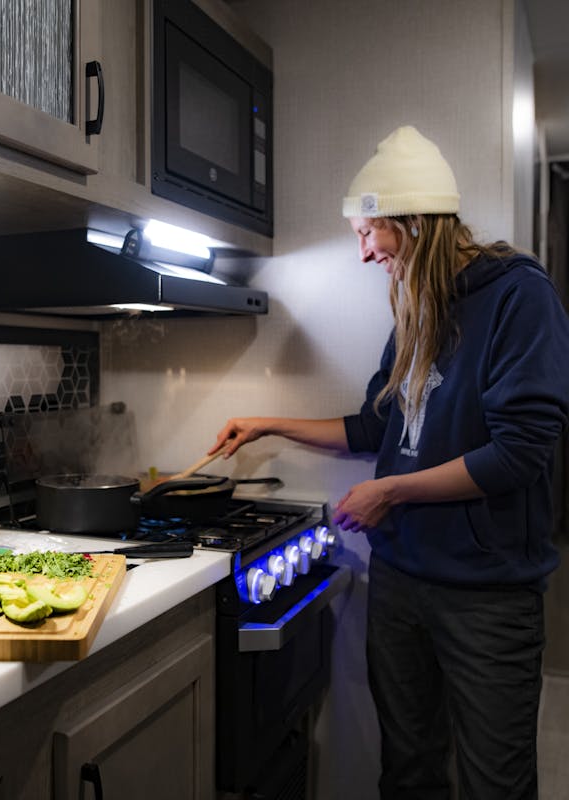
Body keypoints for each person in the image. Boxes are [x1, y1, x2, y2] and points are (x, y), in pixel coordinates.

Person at [208, 125, 569, 800]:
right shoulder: (417, 309)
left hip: (488, 597)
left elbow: (518, 453)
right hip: (401, 582)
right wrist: (268, 423)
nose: (364, 251)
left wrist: (393, 494)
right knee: (408, 772)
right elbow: (378, 427)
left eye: (369, 232)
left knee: (496, 784)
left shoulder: (520, 297)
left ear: (413, 221)